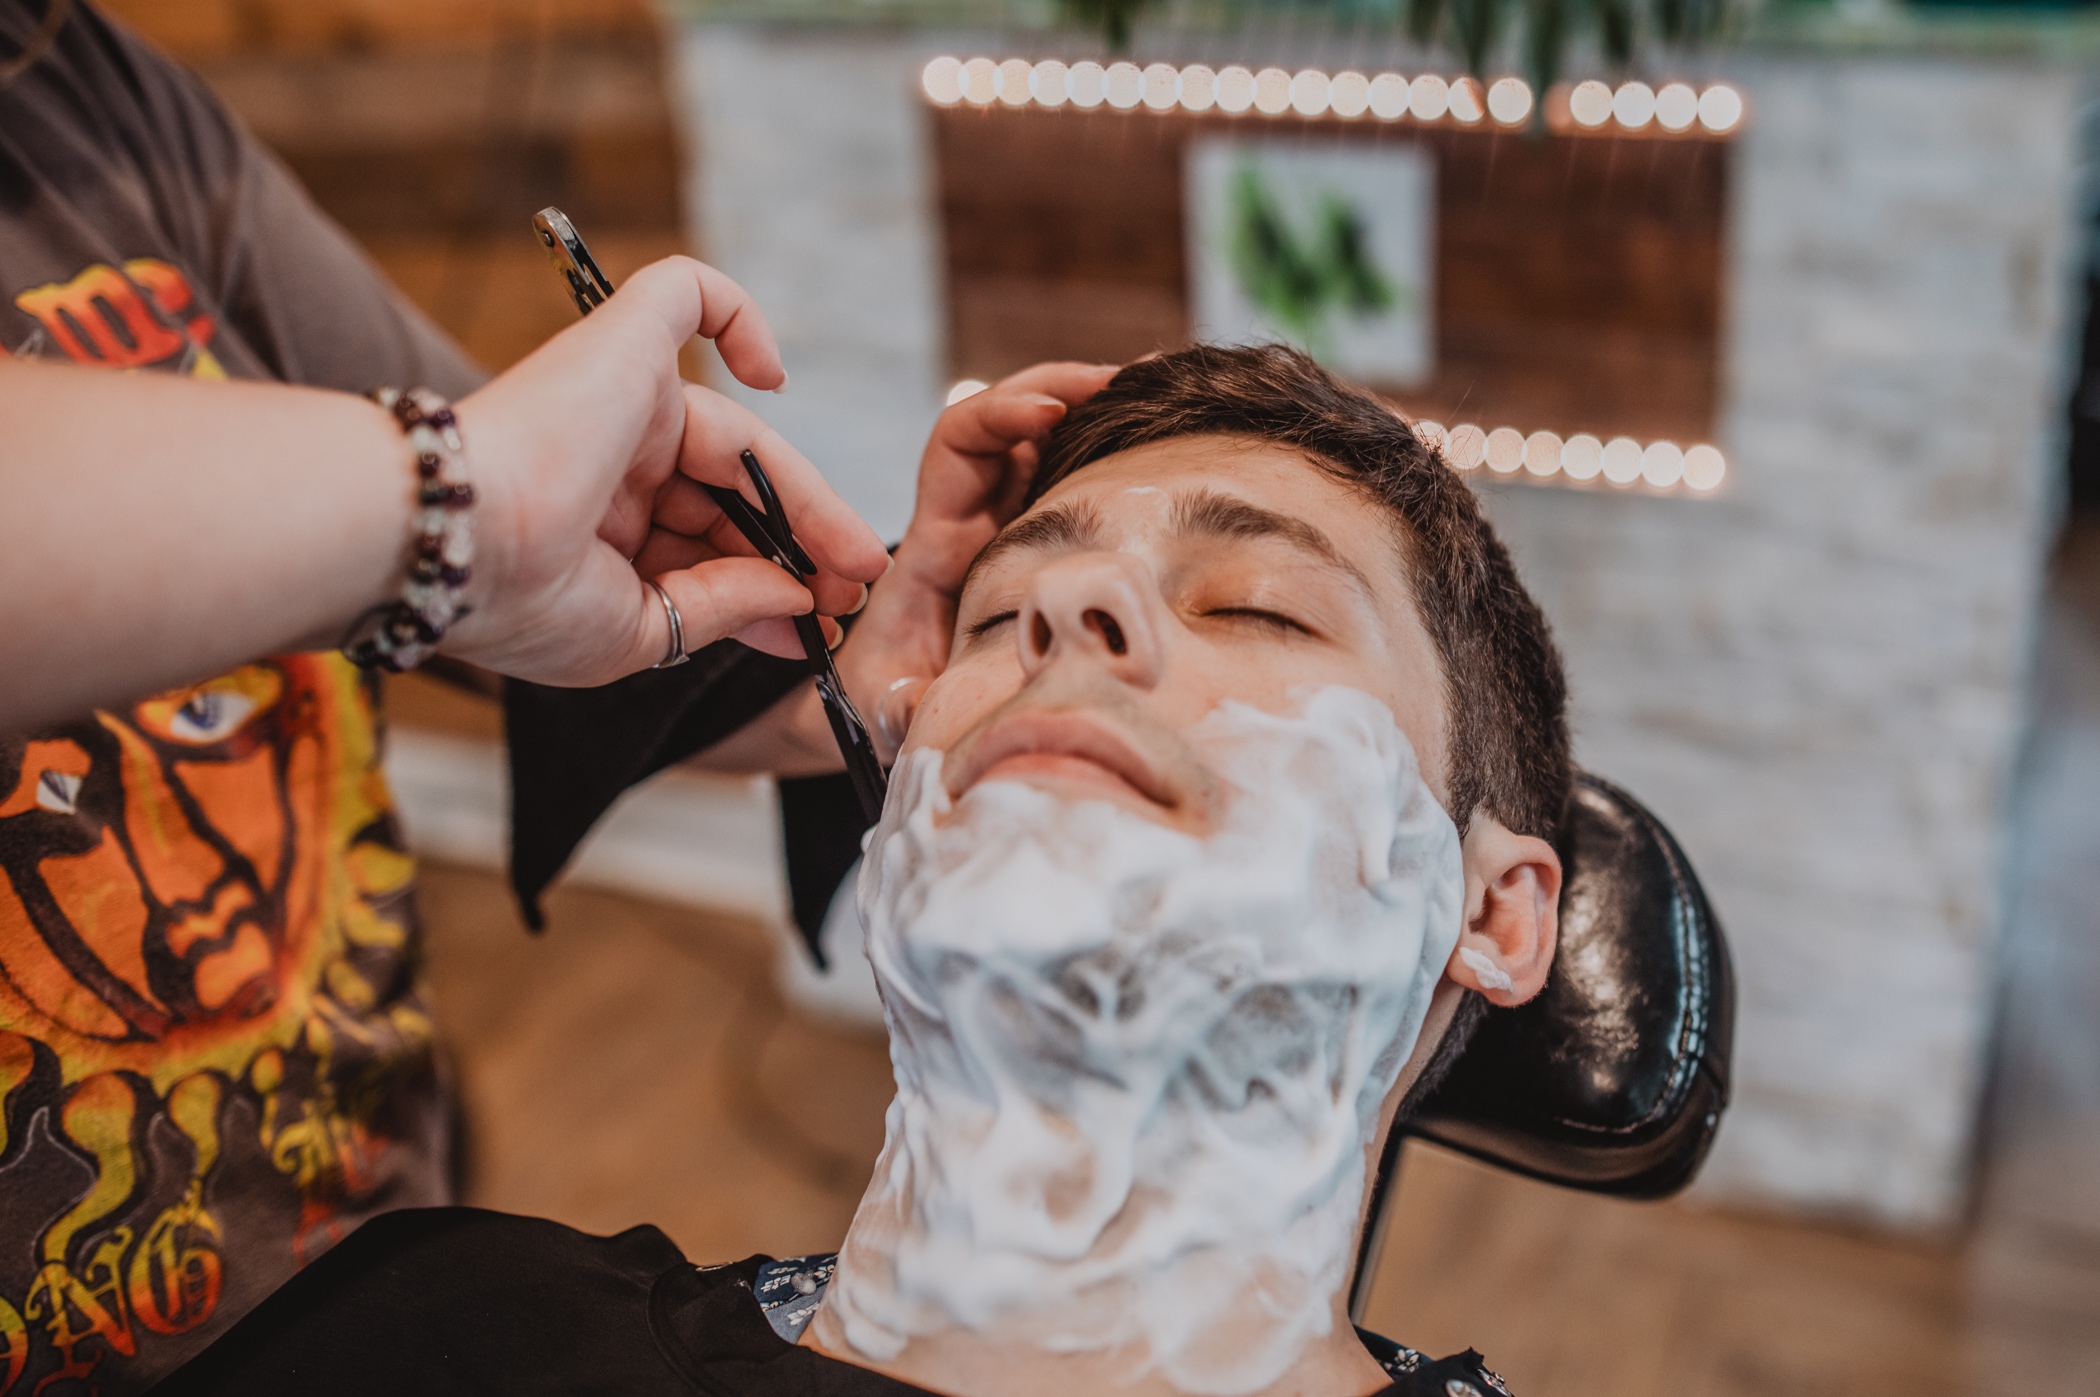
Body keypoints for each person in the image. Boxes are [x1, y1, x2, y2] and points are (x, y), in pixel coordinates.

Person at [150, 344, 1569, 1397]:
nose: (1069, 609)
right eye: (999, 614)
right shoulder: (442, 1332)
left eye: (1257, 605)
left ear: (1496, 913)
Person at [0, 2, 944, 1390]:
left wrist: (863, 675)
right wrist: (462, 504)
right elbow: (485, 516)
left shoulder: (85, 94)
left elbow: (550, 553)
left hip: (357, 1206)